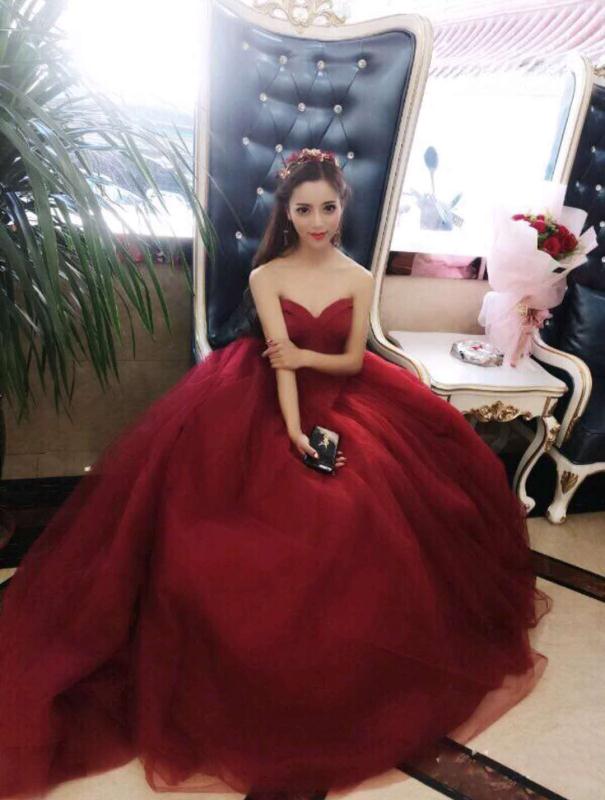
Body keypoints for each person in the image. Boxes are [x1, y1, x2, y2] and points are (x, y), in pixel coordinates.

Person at [0, 147, 551, 799]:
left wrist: (308, 369)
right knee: (247, 516)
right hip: (264, 396)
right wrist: (293, 430)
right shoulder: (268, 276)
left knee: (375, 503)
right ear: (286, 213)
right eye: (304, 209)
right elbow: (278, 364)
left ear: (342, 207)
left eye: (327, 207)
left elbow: (350, 361)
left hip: (348, 395)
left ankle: (351, 664)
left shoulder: (357, 276)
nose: (317, 221)